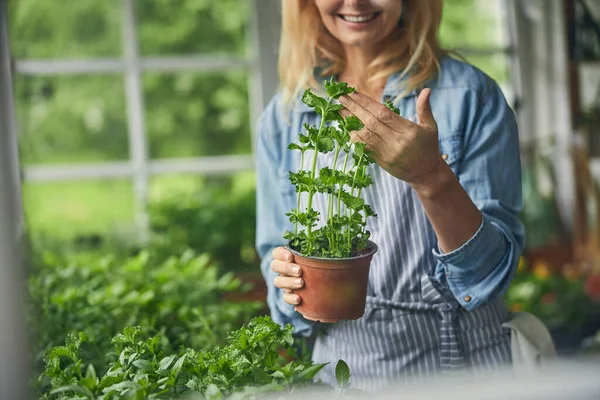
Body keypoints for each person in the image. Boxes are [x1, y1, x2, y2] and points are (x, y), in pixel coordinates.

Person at [255, 0, 524, 391]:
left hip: (464, 367)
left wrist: (432, 178)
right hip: (342, 373)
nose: (355, 2)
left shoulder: (469, 97)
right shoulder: (285, 116)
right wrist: (288, 282)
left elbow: (490, 275)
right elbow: (276, 261)